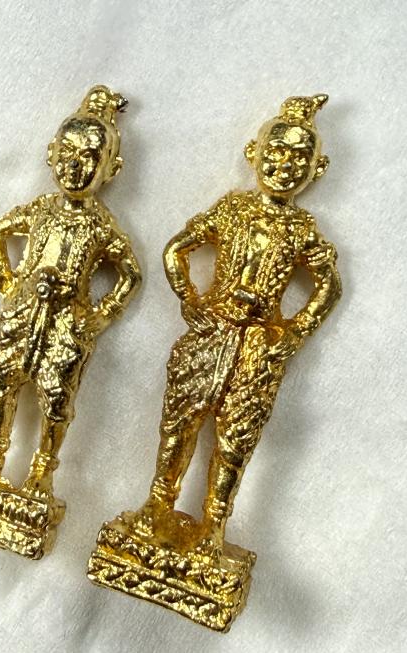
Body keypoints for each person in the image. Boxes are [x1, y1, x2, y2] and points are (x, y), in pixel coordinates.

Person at [136, 94, 342, 557]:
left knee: (235, 440)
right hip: (210, 334)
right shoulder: (232, 208)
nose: (284, 165)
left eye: (299, 158)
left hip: (258, 347)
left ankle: (213, 527)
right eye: (276, 152)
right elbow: (176, 249)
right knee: (180, 423)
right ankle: (157, 506)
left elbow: (329, 285)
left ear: (318, 169)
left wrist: (294, 332)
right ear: (254, 152)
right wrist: (189, 298)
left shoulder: (301, 229)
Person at [0, 85, 141, 500]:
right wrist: (4, 279)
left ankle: (42, 471)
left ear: (112, 169)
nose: (74, 166)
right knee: (4, 380)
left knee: (56, 397)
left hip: (66, 323)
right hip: (22, 314)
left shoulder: (101, 225)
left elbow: (130, 273)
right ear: (51, 153)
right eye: (67, 153)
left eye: (89, 158)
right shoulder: (40, 209)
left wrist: (100, 316)